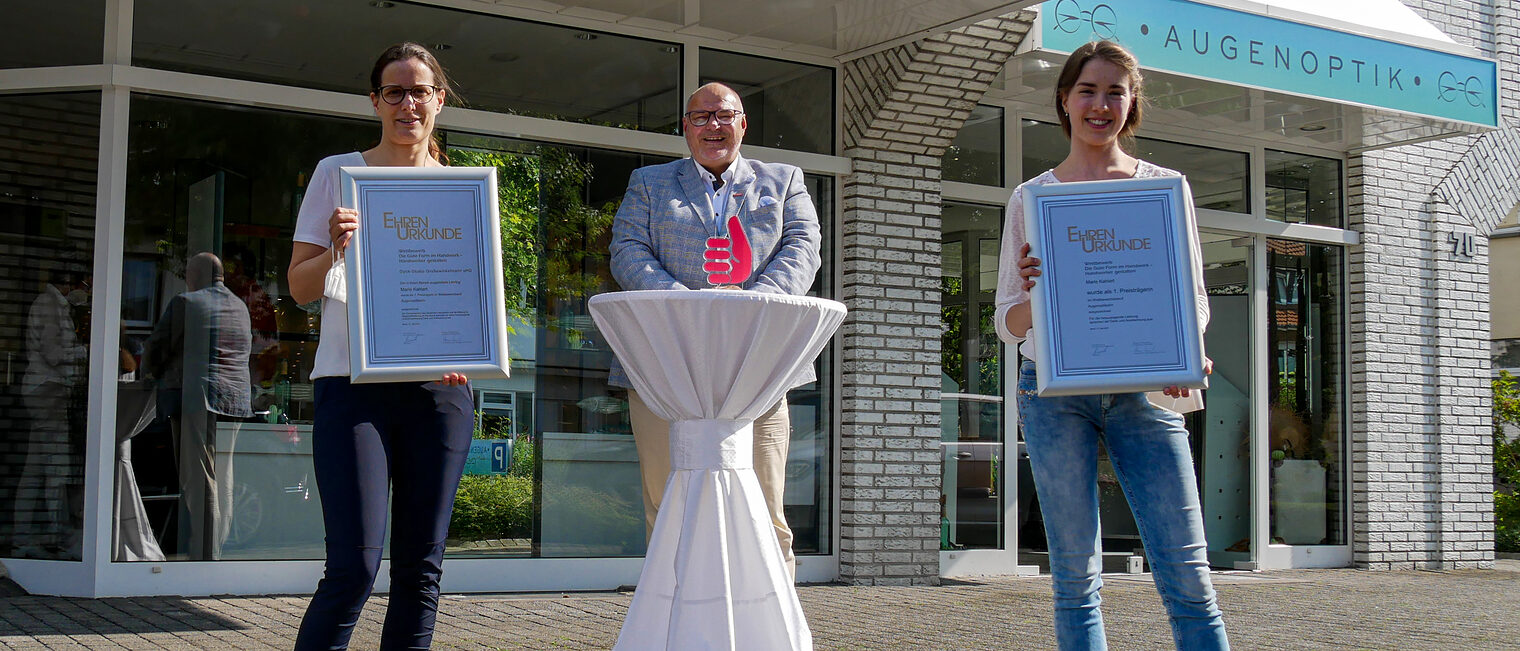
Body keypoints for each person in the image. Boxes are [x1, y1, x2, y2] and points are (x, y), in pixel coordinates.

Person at [994, 40, 1230, 650]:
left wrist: (1184, 352)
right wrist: (1040, 292)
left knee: (1187, 576)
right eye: (1088, 91)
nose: (1101, 105)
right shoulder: (1030, 199)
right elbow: (1007, 322)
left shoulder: (1164, 189)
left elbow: (1192, 298)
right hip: (1053, 395)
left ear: (1132, 103)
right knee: (1075, 579)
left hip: (1148, 392)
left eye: (1115, 92)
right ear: (1065, 100)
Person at [287, 42, 472, 651]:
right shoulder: (338, 173)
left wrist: (467, 350)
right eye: (395, 92)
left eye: (420, 91)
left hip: (437, 393)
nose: (408, 104)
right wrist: (334, 249)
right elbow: (298, 289)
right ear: (375, 101)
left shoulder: (464, 191)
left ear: (439, 101)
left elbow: (473, 299)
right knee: (354, 568)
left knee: (421, 573)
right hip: (351, 388)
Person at [609, 82, 821, 577]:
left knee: (766, 512)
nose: (713, 126)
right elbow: (628, 252)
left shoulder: (783, 180)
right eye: (701, 117)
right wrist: (688, 308)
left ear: (743, 124)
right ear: (685, 128)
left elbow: (803, 249)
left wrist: (752, 306)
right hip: (664, 365)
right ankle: (672, 625)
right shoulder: (648, 183)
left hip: (761, 368)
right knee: (668, 509)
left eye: (724, 115)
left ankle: (772, 630)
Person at [142, 252, 254, 560]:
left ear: (195, 275)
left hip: (198, 399)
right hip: (235, 401)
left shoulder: (186, 303)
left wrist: (147, 374)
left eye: (188, 274)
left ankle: (204, 556)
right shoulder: (240, 306)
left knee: (199, 480)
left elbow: (156, 349)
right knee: (225, 480)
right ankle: (217, 549)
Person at [12, 267, 89, 559]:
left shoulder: (51, 305)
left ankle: (22, 538)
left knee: (33, 469)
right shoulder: (49, 306)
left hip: (41, 390)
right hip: (48, 390)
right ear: (68, 284)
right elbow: (55, 354)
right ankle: (62, 538)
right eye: (83, 285)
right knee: (57, 468)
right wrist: (86, 350)